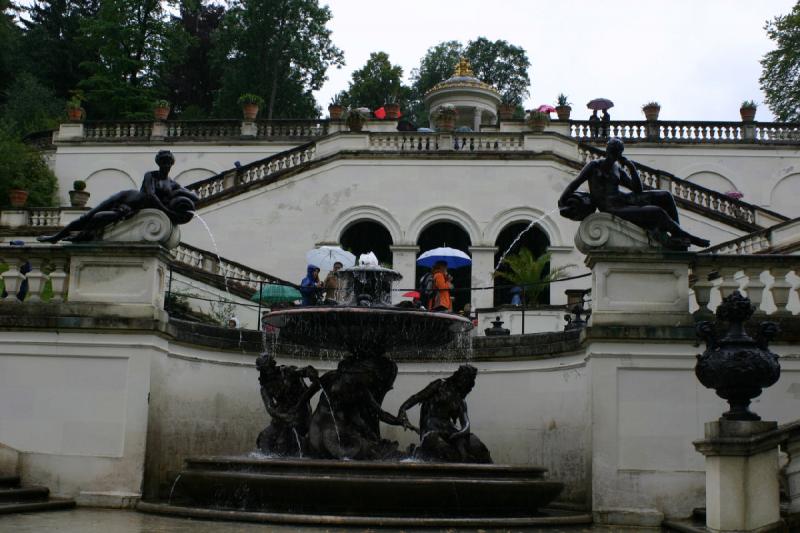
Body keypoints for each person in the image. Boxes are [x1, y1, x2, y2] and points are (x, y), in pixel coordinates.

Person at [558, 137, 710, 249]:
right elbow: (575, 183)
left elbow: (637, 190)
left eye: (616, 153)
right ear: (607, 151)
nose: (613, 155)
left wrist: (631, 168)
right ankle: (687, 236)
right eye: (612, 152)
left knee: (665, 195)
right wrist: (562, 201)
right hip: (612, 208)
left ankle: (677, 234)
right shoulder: (594, 166)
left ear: (619, 154)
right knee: (656, 212)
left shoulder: (617, 169)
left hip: (624, 200)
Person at [38, 150, 197, 243]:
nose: (166, 165)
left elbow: (194, 198)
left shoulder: (172, 184)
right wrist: (169, 212)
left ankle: (82, 236)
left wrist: (183, 194)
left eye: (168, 162)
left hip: (131, 209)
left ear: (172, 164)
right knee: (87, 217)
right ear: (158, 163)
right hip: (126, 198)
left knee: (98, 218)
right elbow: (151, 196)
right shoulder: (151, 176)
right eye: (163, 162)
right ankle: (56, 237)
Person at [396, 365, 492, 464]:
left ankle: (489, 470)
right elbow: (417, 397)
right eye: (464, 378)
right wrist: (402, 409)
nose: (465, 382)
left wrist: (460, 433)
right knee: (445, 449)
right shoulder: (439, 385)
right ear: (458, 376)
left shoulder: (460, 400)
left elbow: (466, 424)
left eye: (468, 380)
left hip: (448, 428)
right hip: (431, 427)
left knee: (475, 443)